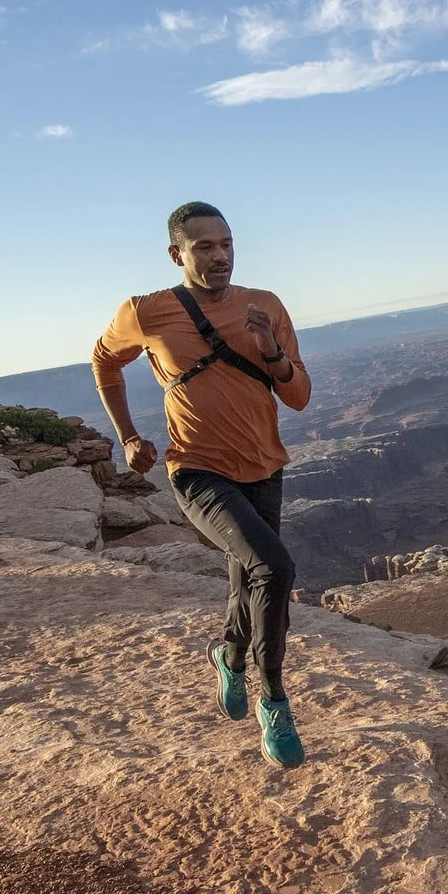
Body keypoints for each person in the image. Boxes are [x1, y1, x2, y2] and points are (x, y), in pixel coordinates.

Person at [93, 202, 311, 769]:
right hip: (195, 468)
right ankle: (275, 700)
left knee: (247, 576)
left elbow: (297, 394)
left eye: (227, 244)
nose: (220, 256)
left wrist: (271, 352)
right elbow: (103, 362)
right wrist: (129, 435)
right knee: (274, 567)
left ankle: (229, 656)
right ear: (177, 254)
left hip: (264, 465)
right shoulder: (146, 312)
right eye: (205, 247)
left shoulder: (265, 306)